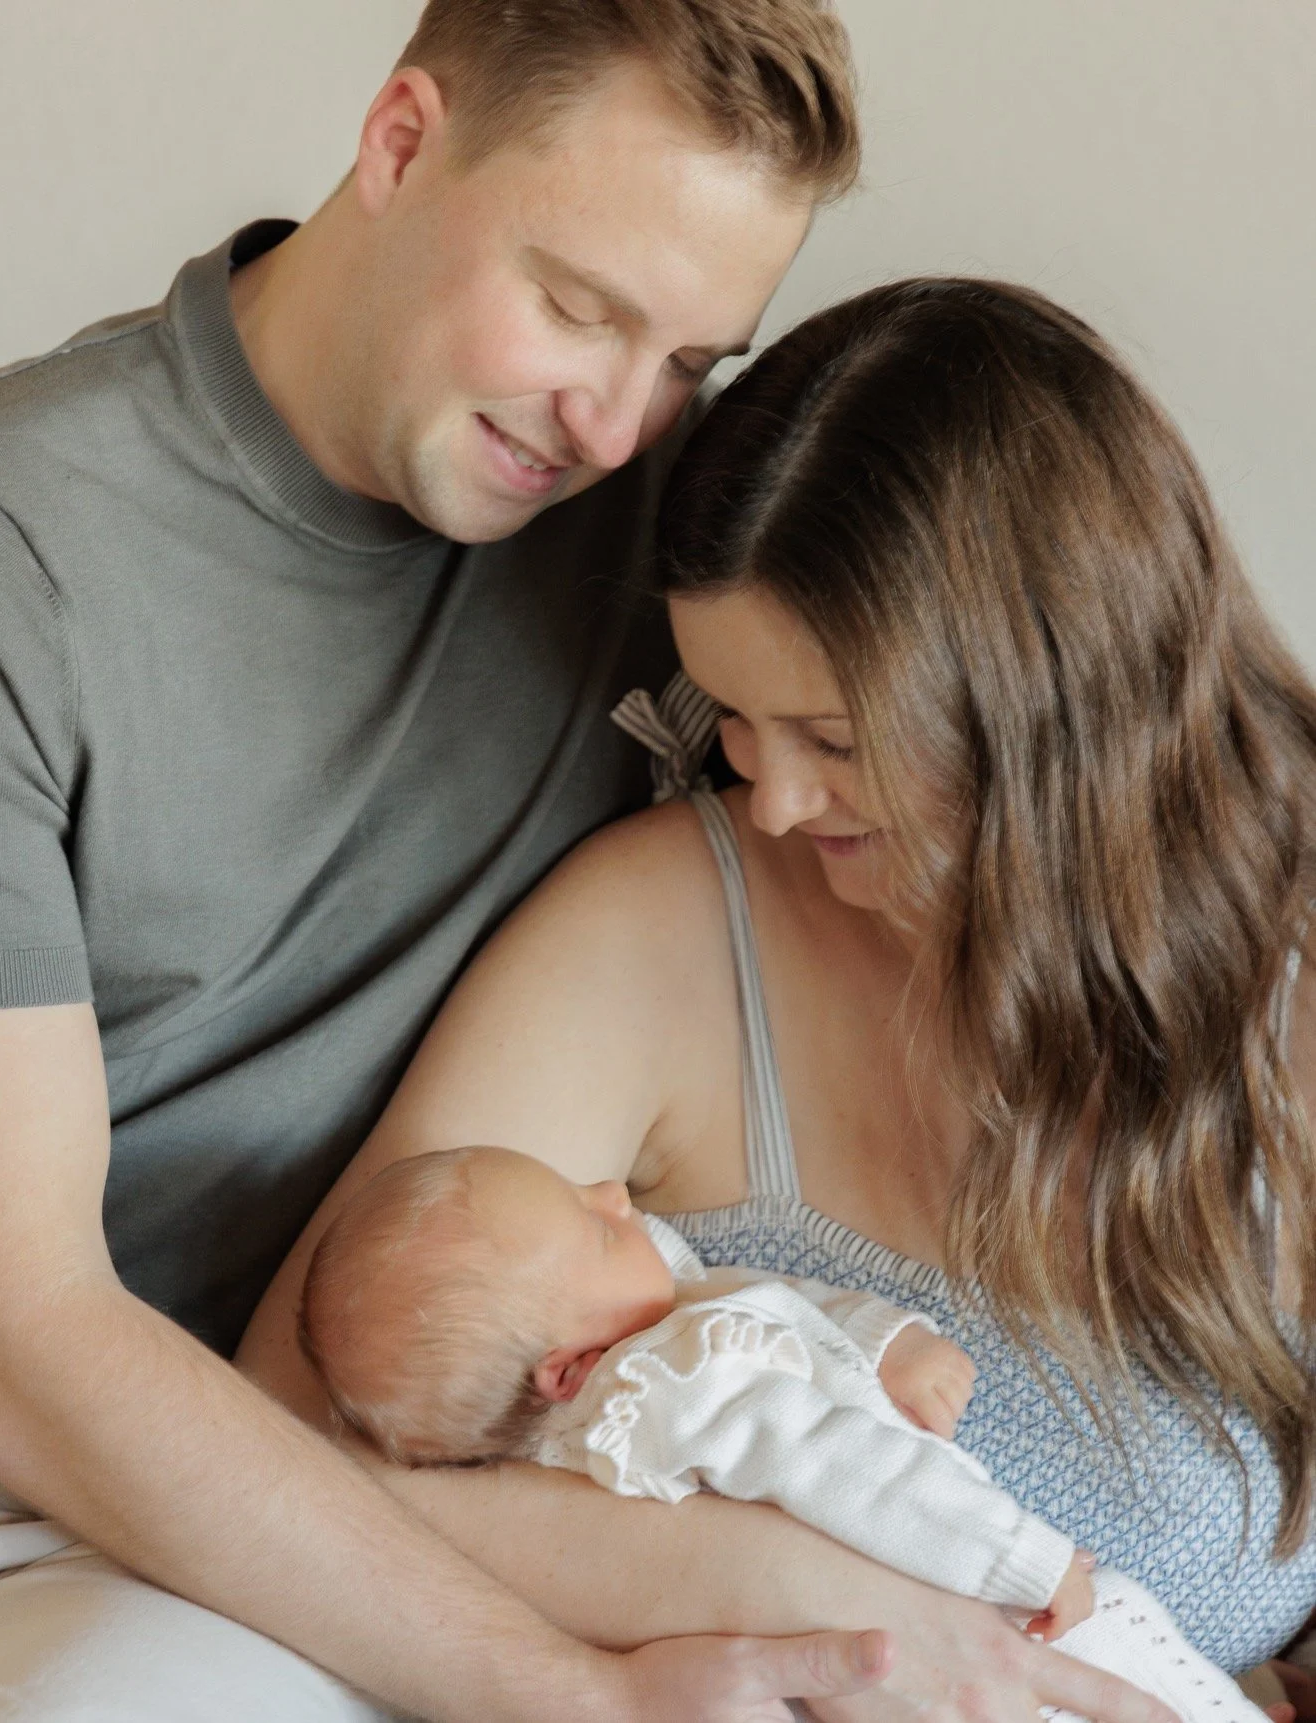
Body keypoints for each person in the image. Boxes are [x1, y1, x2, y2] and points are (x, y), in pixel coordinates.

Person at [0, 2, 952, 1717]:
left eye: (691, 358)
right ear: (401, 142)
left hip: (532, 1428)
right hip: (58, 1504)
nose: (617, 425)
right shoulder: (3, 551)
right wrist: (576, 1694)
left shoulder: (677, 525)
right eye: (579, 308)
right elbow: (11, 1340)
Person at [239, 276, 1316, 1722]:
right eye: (738, 723)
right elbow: (290, 1444)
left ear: (1059, 708)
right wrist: (816, 1606)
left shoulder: (1291, 979)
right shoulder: (661, 932)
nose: (776, 803)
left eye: (836, 738)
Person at [293, 1142, 1271, 1723]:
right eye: (594, 1227)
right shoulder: (679, 1384)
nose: (614, 1195)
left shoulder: (636, 1353)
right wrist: (1026, 1557)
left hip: (931, 1649)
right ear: (567, 1370)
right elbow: (851, 1468)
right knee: (1135, 1650)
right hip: (991, 1614)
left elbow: (760, 1300)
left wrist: (887, 1343)